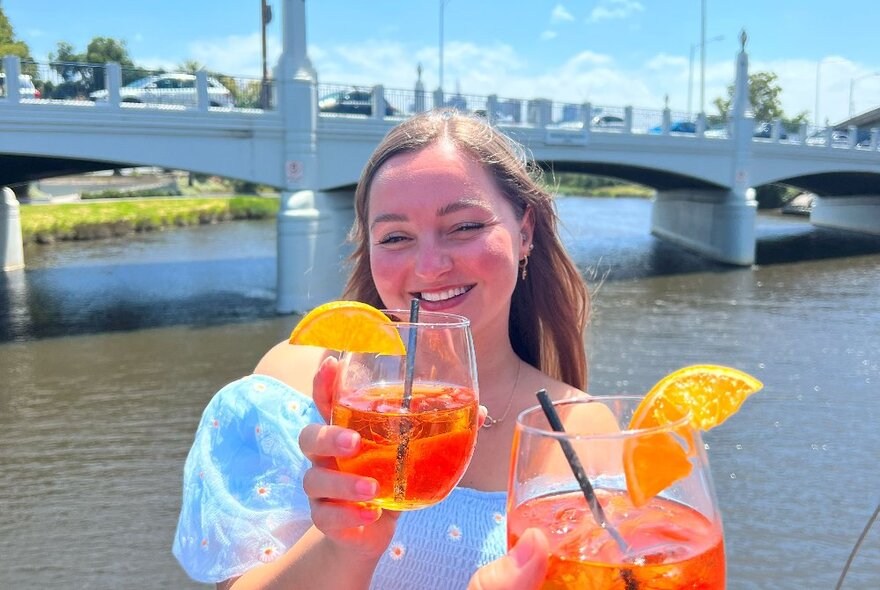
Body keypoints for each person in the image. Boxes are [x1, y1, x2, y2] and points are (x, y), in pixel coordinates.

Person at [173, 108, 590, 589]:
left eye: (464, 227)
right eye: (395, 237)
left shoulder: (577, 430)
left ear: (525, 233)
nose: (431, 266)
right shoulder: (288, 386)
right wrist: (342, 546)